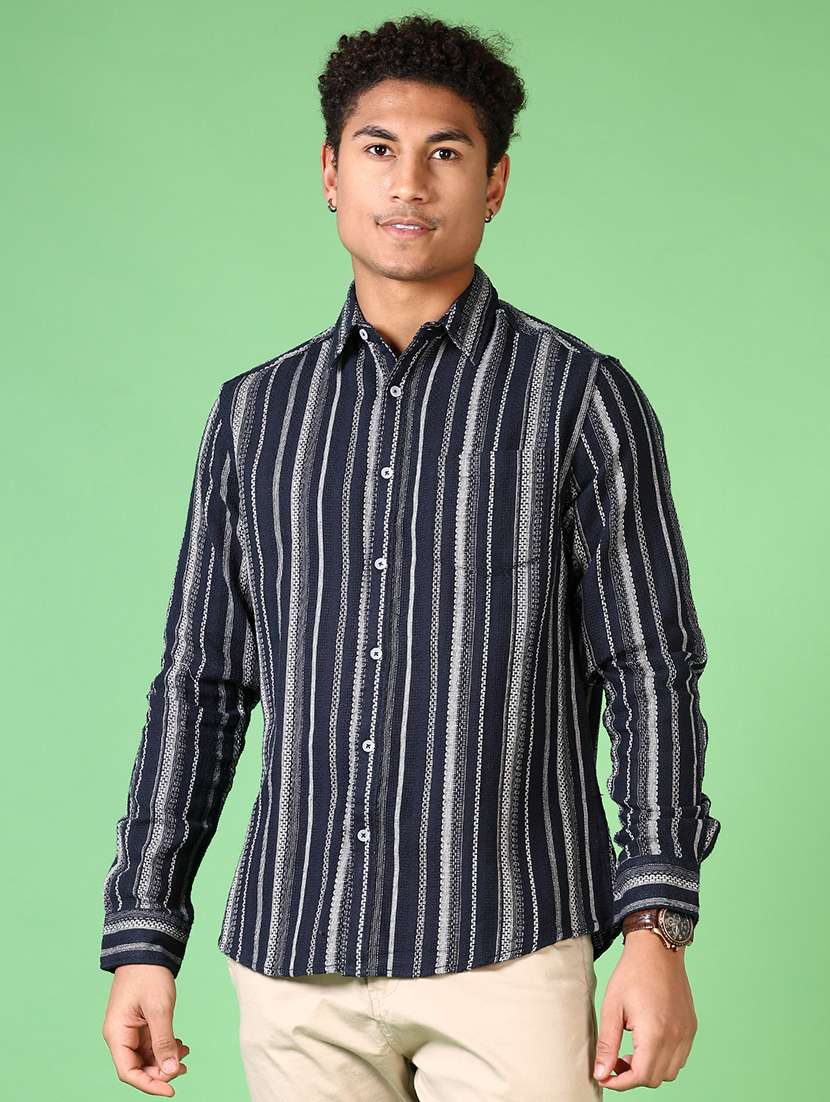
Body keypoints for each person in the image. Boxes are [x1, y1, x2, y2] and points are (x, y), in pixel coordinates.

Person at [99, 13, 721, 1100]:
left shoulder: (576, 400)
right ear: (329, 173)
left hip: (508, 946)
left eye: (446, 152)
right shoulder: (254, 415)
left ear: (495, 183)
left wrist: (654, 926)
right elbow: (200, 684)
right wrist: (144, 933)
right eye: (378, 148)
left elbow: (649, 671)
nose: (409, 182)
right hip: (294, 954)